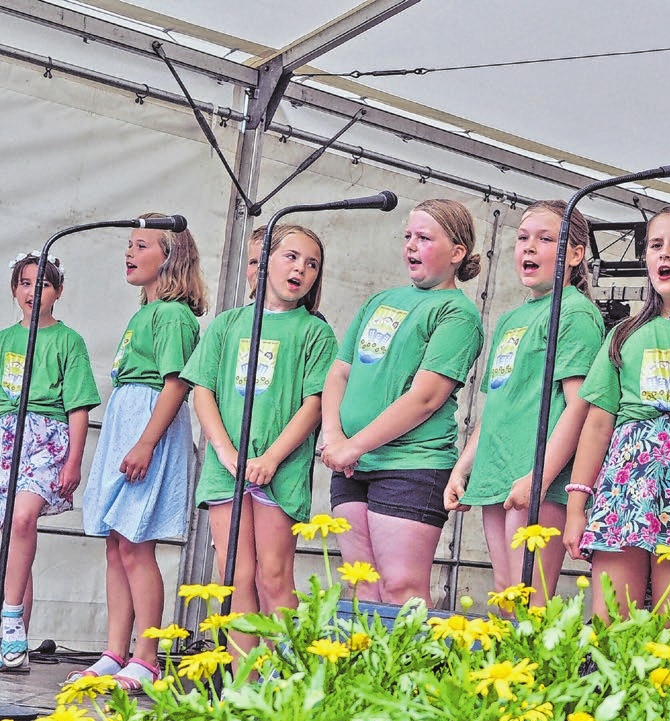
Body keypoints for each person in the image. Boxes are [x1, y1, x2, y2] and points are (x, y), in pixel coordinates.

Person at [561, 205, 670, 620]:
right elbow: (598, 424)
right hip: (624, 482)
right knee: (609, 622)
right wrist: (576, 507)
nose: (664, 255)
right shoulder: (624, 333)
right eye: (656, 246)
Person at [183, 225, 336, 657]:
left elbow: (314, 403)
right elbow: (203, 391)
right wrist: (226, 452)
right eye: (291, 257)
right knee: (233, 575)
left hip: (278, 469)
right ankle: (241, 684)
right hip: (225, 468)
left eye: (311, 264)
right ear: (264, 260)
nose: (300, 269)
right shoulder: (228, 324)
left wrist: (270, 457)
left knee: (272, 575)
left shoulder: (315, 332)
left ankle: (282, 681)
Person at [321, 198, 484, 605]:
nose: (411, 245)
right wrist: (333, 436)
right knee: (361, 588)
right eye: (408, 236)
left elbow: (426, 397)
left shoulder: (456, 313)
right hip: (352, 463)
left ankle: (409, 671)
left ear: (457, 253)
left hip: (411, 464)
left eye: (425, 238)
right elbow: (340, 372)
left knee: (400, 590)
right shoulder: (380, 301)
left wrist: (352, 446)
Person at [444, 201, 603, 605]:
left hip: (535, 477)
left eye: (546, 239)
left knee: (530, 600)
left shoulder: (575, 312)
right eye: (522, 238)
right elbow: (496, 403)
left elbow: (579, 407)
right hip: (496, 470)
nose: (529, 248)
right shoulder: (512, 318)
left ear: (575, 253)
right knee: (504, 595)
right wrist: (464, 465)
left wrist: (539, 477)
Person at [78, 214, 207, 689]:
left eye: (141, 245)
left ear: (170, 257)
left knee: (135, 544)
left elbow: (177, 384)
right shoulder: (143, 313)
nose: (129, 254)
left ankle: (146, 657)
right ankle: (115, 651)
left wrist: (146, 442)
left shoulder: (173, 315)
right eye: (128, 246)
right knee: (116, 543)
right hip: (127, 419)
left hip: (149, 425)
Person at [0, 254, 99, 669]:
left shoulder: (68, 341)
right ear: (14, 290)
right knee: (7, 536)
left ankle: (8, 619)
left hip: (46, 438)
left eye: (41, 284)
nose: (31, 292)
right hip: (7, 435)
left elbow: (78, 408)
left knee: (23, 519)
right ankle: (15, 633)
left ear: (57, 292)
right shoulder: (5, 339)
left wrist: (73, 461)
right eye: (24, 283)